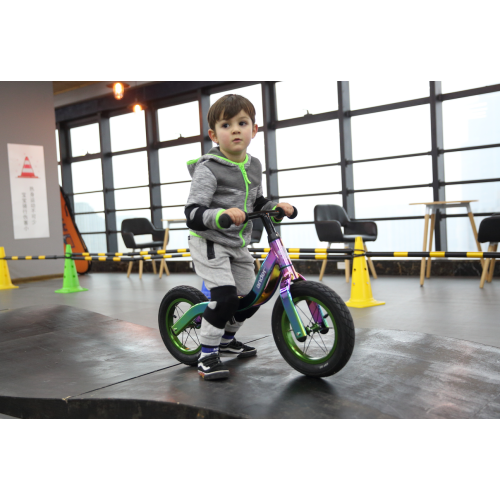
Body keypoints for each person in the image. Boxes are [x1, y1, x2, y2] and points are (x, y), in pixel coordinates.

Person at [185, 94, 294, 380]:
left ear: (253, 130)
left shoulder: (253, 165)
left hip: (237, 244)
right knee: (225, 298)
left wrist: (276, 208)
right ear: (213, 134)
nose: (235, 129)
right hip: (209, 241)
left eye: (242, 123)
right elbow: (193, 211)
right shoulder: (208, 169)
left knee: (251, 298)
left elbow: (257, 201)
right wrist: (220, 215)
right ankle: (207, 354)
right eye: (226, 124)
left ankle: (225, 340)